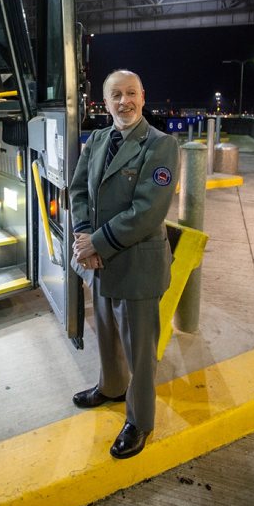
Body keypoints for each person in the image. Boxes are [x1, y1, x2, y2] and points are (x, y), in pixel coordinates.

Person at [69, 69, 179, 459]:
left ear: (143, 96)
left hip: (136, 264)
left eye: (131, 93)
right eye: (115, 95)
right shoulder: (98, 139)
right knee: (107, 335)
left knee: (139, 350)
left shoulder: (161, 145)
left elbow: (147, 212)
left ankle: (140, 420)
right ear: (106, 100)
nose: (124, 102)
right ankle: (111, 387)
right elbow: (78, 189)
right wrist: (85, 240)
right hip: (100, 262)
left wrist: (96, 243)